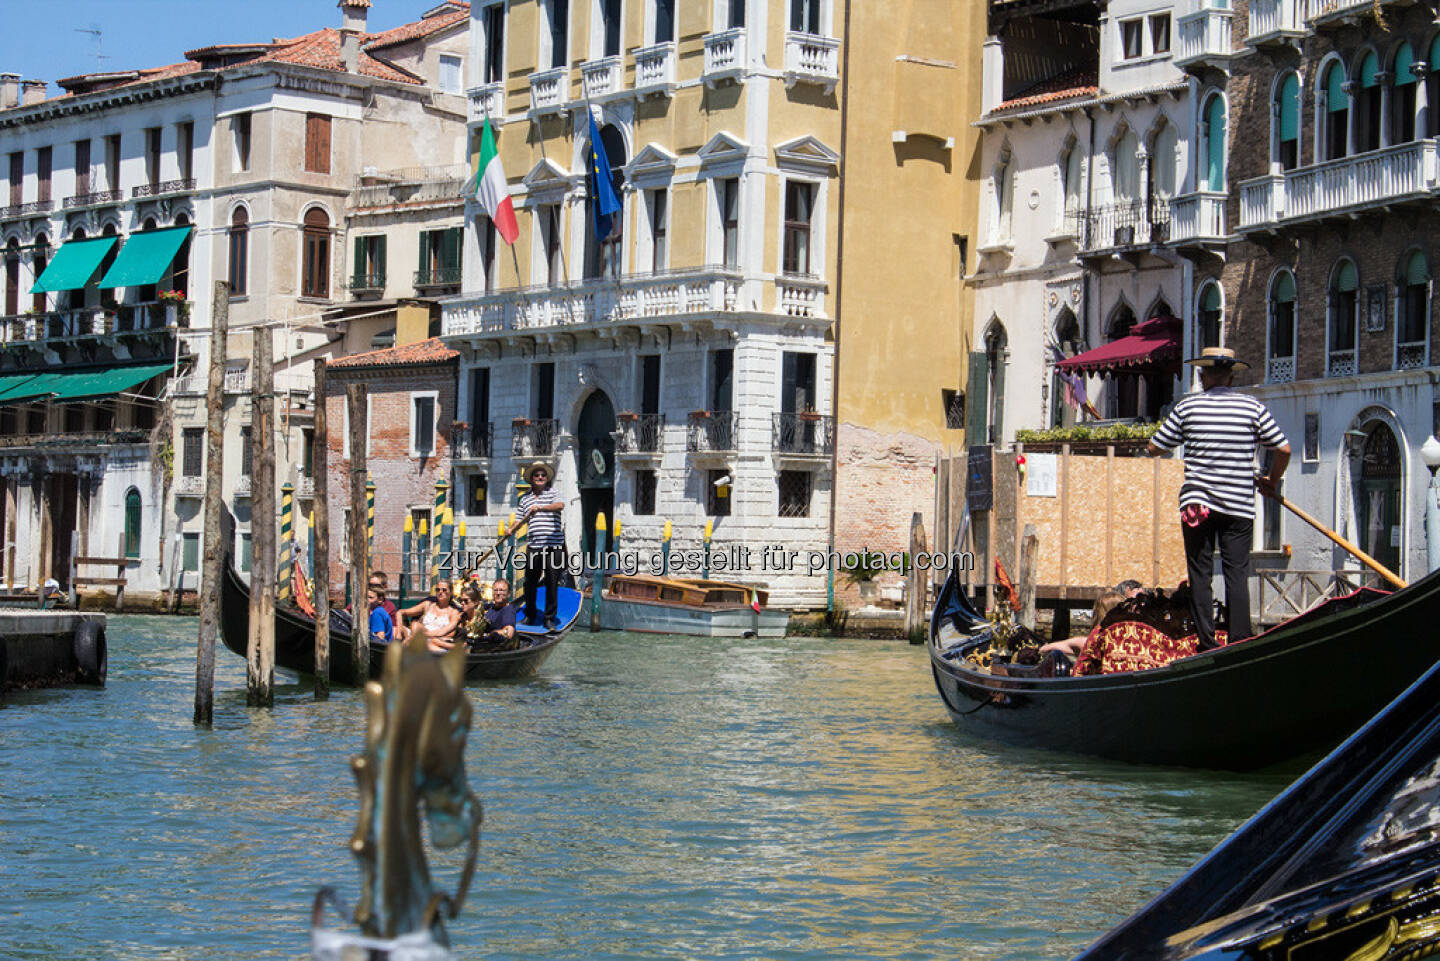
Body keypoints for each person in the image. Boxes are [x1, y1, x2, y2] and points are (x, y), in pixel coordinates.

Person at [1147, 346, 1290, 651]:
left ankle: (1207, 642)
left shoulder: (1188, 407)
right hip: (1239, 504)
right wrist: (1271, 481)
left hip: (1198, 502)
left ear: (1202, 374)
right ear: (1230, 376)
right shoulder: (1253, 408)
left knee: (1200, 574)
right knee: (1236, 572)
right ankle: (1240, 640)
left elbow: (1154, 447)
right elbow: (1283, 449)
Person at [518, 462, 566, 630]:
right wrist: (511, 529)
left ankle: (549, 618)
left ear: (546, 479)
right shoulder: (525, 499)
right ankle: (530, 615)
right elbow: (519, 520)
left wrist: (540, 508)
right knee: (530, 582)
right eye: (537, 475)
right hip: (534, 546)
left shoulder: (553, 493)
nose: (540, 477)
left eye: (543, 475)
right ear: (531, 479)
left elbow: (560, 505)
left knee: (552, 582)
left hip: (554, 547)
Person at [1040, 589, 1125, 658]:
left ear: (1098, 614)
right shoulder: (1136, 639)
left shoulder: (1089, 643)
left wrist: (1044, 648)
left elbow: (1045, 649)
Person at [401, 579, 462, 652]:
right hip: (421, 637)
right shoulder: (428, 604)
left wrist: (425, 636)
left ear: (451, 592)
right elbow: (401, 612)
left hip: (437, 641)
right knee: (411, 627)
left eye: (444, 590)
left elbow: (451, 634)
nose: (440, 592)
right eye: (438, 590)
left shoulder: (454, 612)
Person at [465, 579, 520, 651]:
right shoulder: (491, 607)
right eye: (495, 590)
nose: (498, 593)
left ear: (509, 593)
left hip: (494, 648)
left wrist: (490, 634)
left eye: (501, 590)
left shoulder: (508, 610)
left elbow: (508, 633)